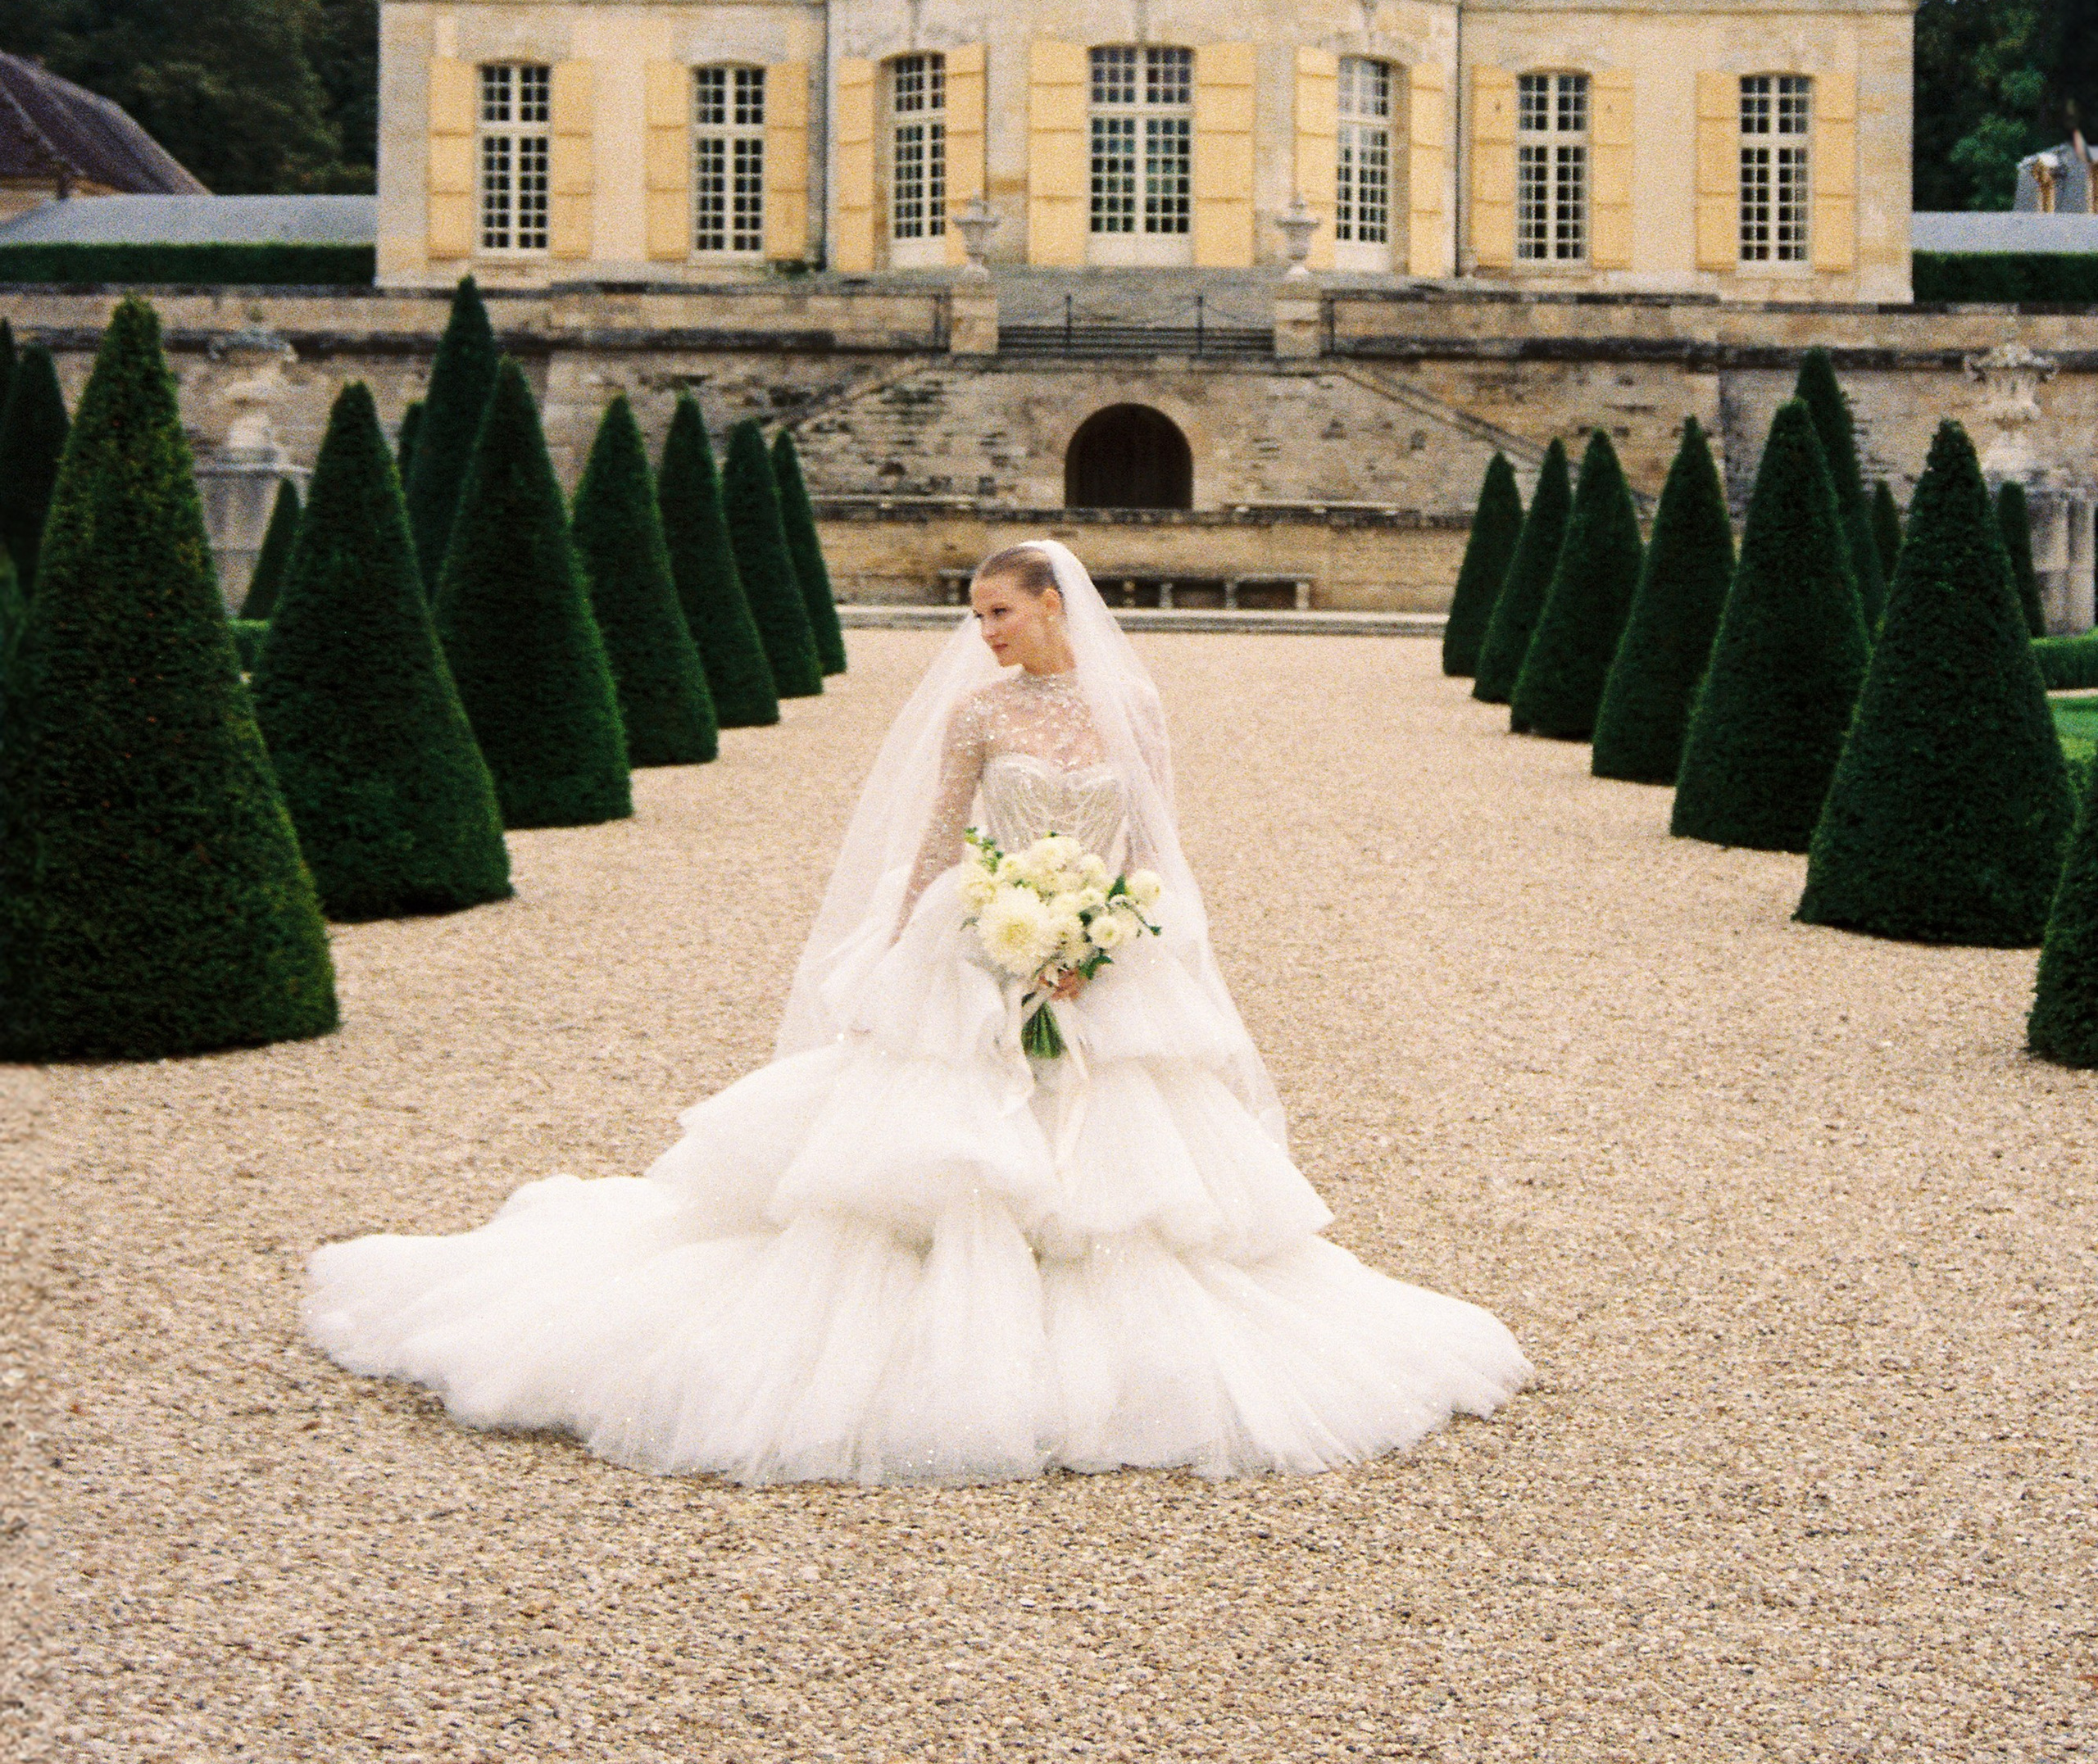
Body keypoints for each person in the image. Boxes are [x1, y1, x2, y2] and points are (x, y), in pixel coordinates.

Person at [306, 540, 1529, 1481]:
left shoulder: (1133, 709)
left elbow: (1159, 842)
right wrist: (894, 971)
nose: (984, 634)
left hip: (1100, 956)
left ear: (1053, 606)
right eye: (976, 616)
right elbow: (939, 840)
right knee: (933, 1160)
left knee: (1129, 1167)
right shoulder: (978, 713)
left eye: (998, 612)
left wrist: (1103, 942)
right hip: (974, 945)